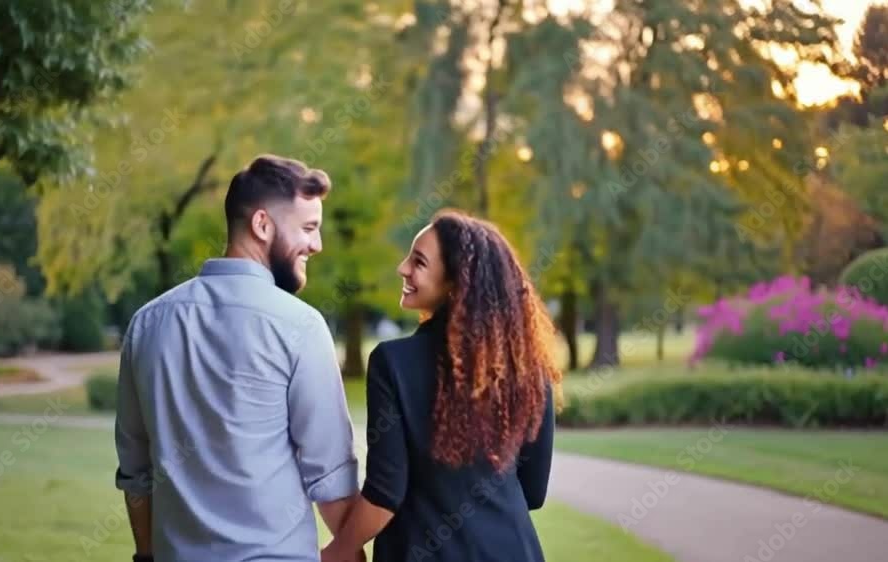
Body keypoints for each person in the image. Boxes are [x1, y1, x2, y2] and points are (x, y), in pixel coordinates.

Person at [114, 155, 363, 562]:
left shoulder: (146, 323)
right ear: (262, 225)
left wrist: (145, 555)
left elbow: (136, 473)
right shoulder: (300, 326)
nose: (317, 245)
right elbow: (330, 476)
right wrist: (352, 552)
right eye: (308, 228)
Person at [322, 209, 562, 562]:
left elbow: (385, 493)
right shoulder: (528, 369)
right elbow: (534, 490)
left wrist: (337, 552)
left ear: (455, 284)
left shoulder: (393, 362)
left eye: (418, 262)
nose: (402, 268)